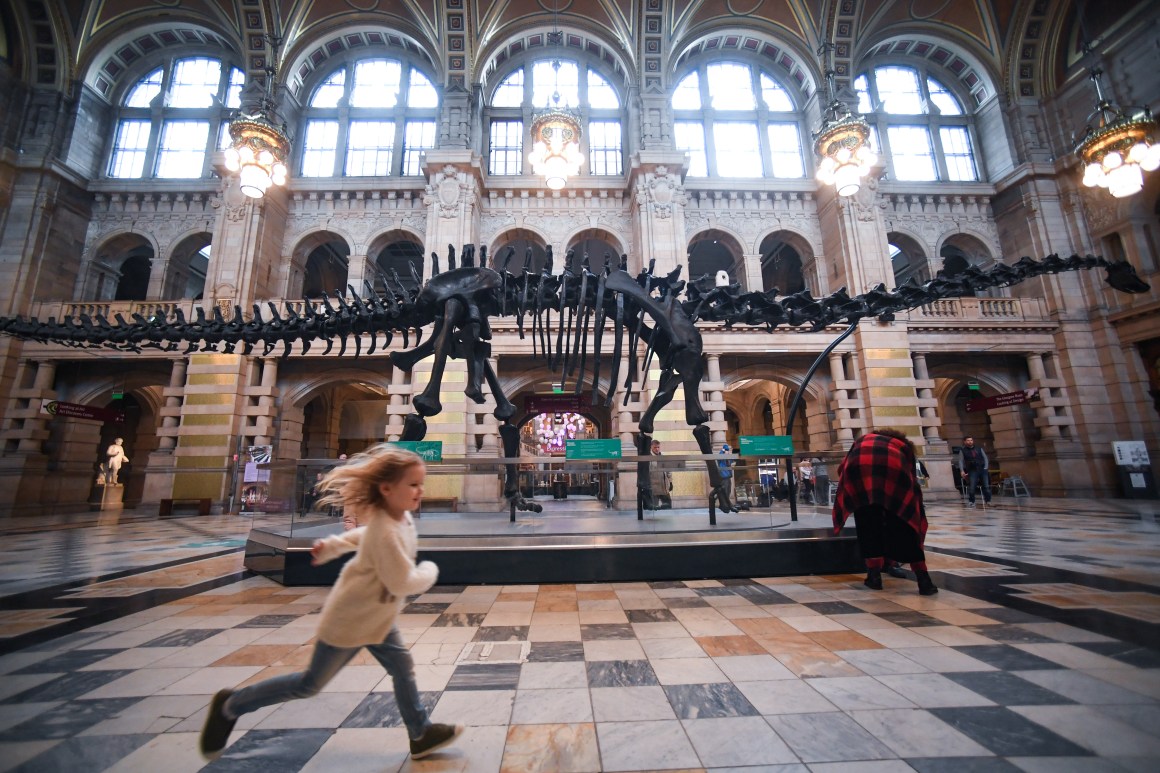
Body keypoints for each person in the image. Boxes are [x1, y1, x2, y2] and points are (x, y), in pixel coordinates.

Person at [199, 445, 463, 761]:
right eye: (413, 484)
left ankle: (420, 733)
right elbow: (402, 581)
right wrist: (430, 570)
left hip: (377, 615)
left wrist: (334, 545)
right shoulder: (387, 530)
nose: (420, 490)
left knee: (402, 666)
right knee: (309, 684)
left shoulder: (396, 517)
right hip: (351, 618)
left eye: (421, 483)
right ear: (387, 488)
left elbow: (361, 537)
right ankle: (231, 705)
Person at [831, 428, 937, 595]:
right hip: (894, 487)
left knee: (868, 528)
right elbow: (910, 473)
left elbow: (842, 467)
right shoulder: (901, 446)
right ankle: (924, 580)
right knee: (905, 528)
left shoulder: (862, 441)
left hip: (862, 486)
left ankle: (874, 578)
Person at [957, 436, 991, 507]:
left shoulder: (979, 448)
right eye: (968, 440)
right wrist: (962, 470)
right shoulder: (962, 450)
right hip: (972, 470)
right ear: (965, 442)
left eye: (971, 440)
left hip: (982, 469)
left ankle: (988, 500)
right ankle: (971, 501)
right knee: (972, 487)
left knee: (986, 486)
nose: (970, 442)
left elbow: (985, 458)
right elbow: (960, 461)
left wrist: (985, 467)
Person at [648, 439, 671, 510]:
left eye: (658, 447)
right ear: (651, 447)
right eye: (655, 447)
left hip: (664, 486)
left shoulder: (662, 457)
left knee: (668, 505)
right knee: (654, 507)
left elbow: (668, 471)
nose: (657, 449)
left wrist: (670, 482)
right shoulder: (648, 458)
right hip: (654, 487)